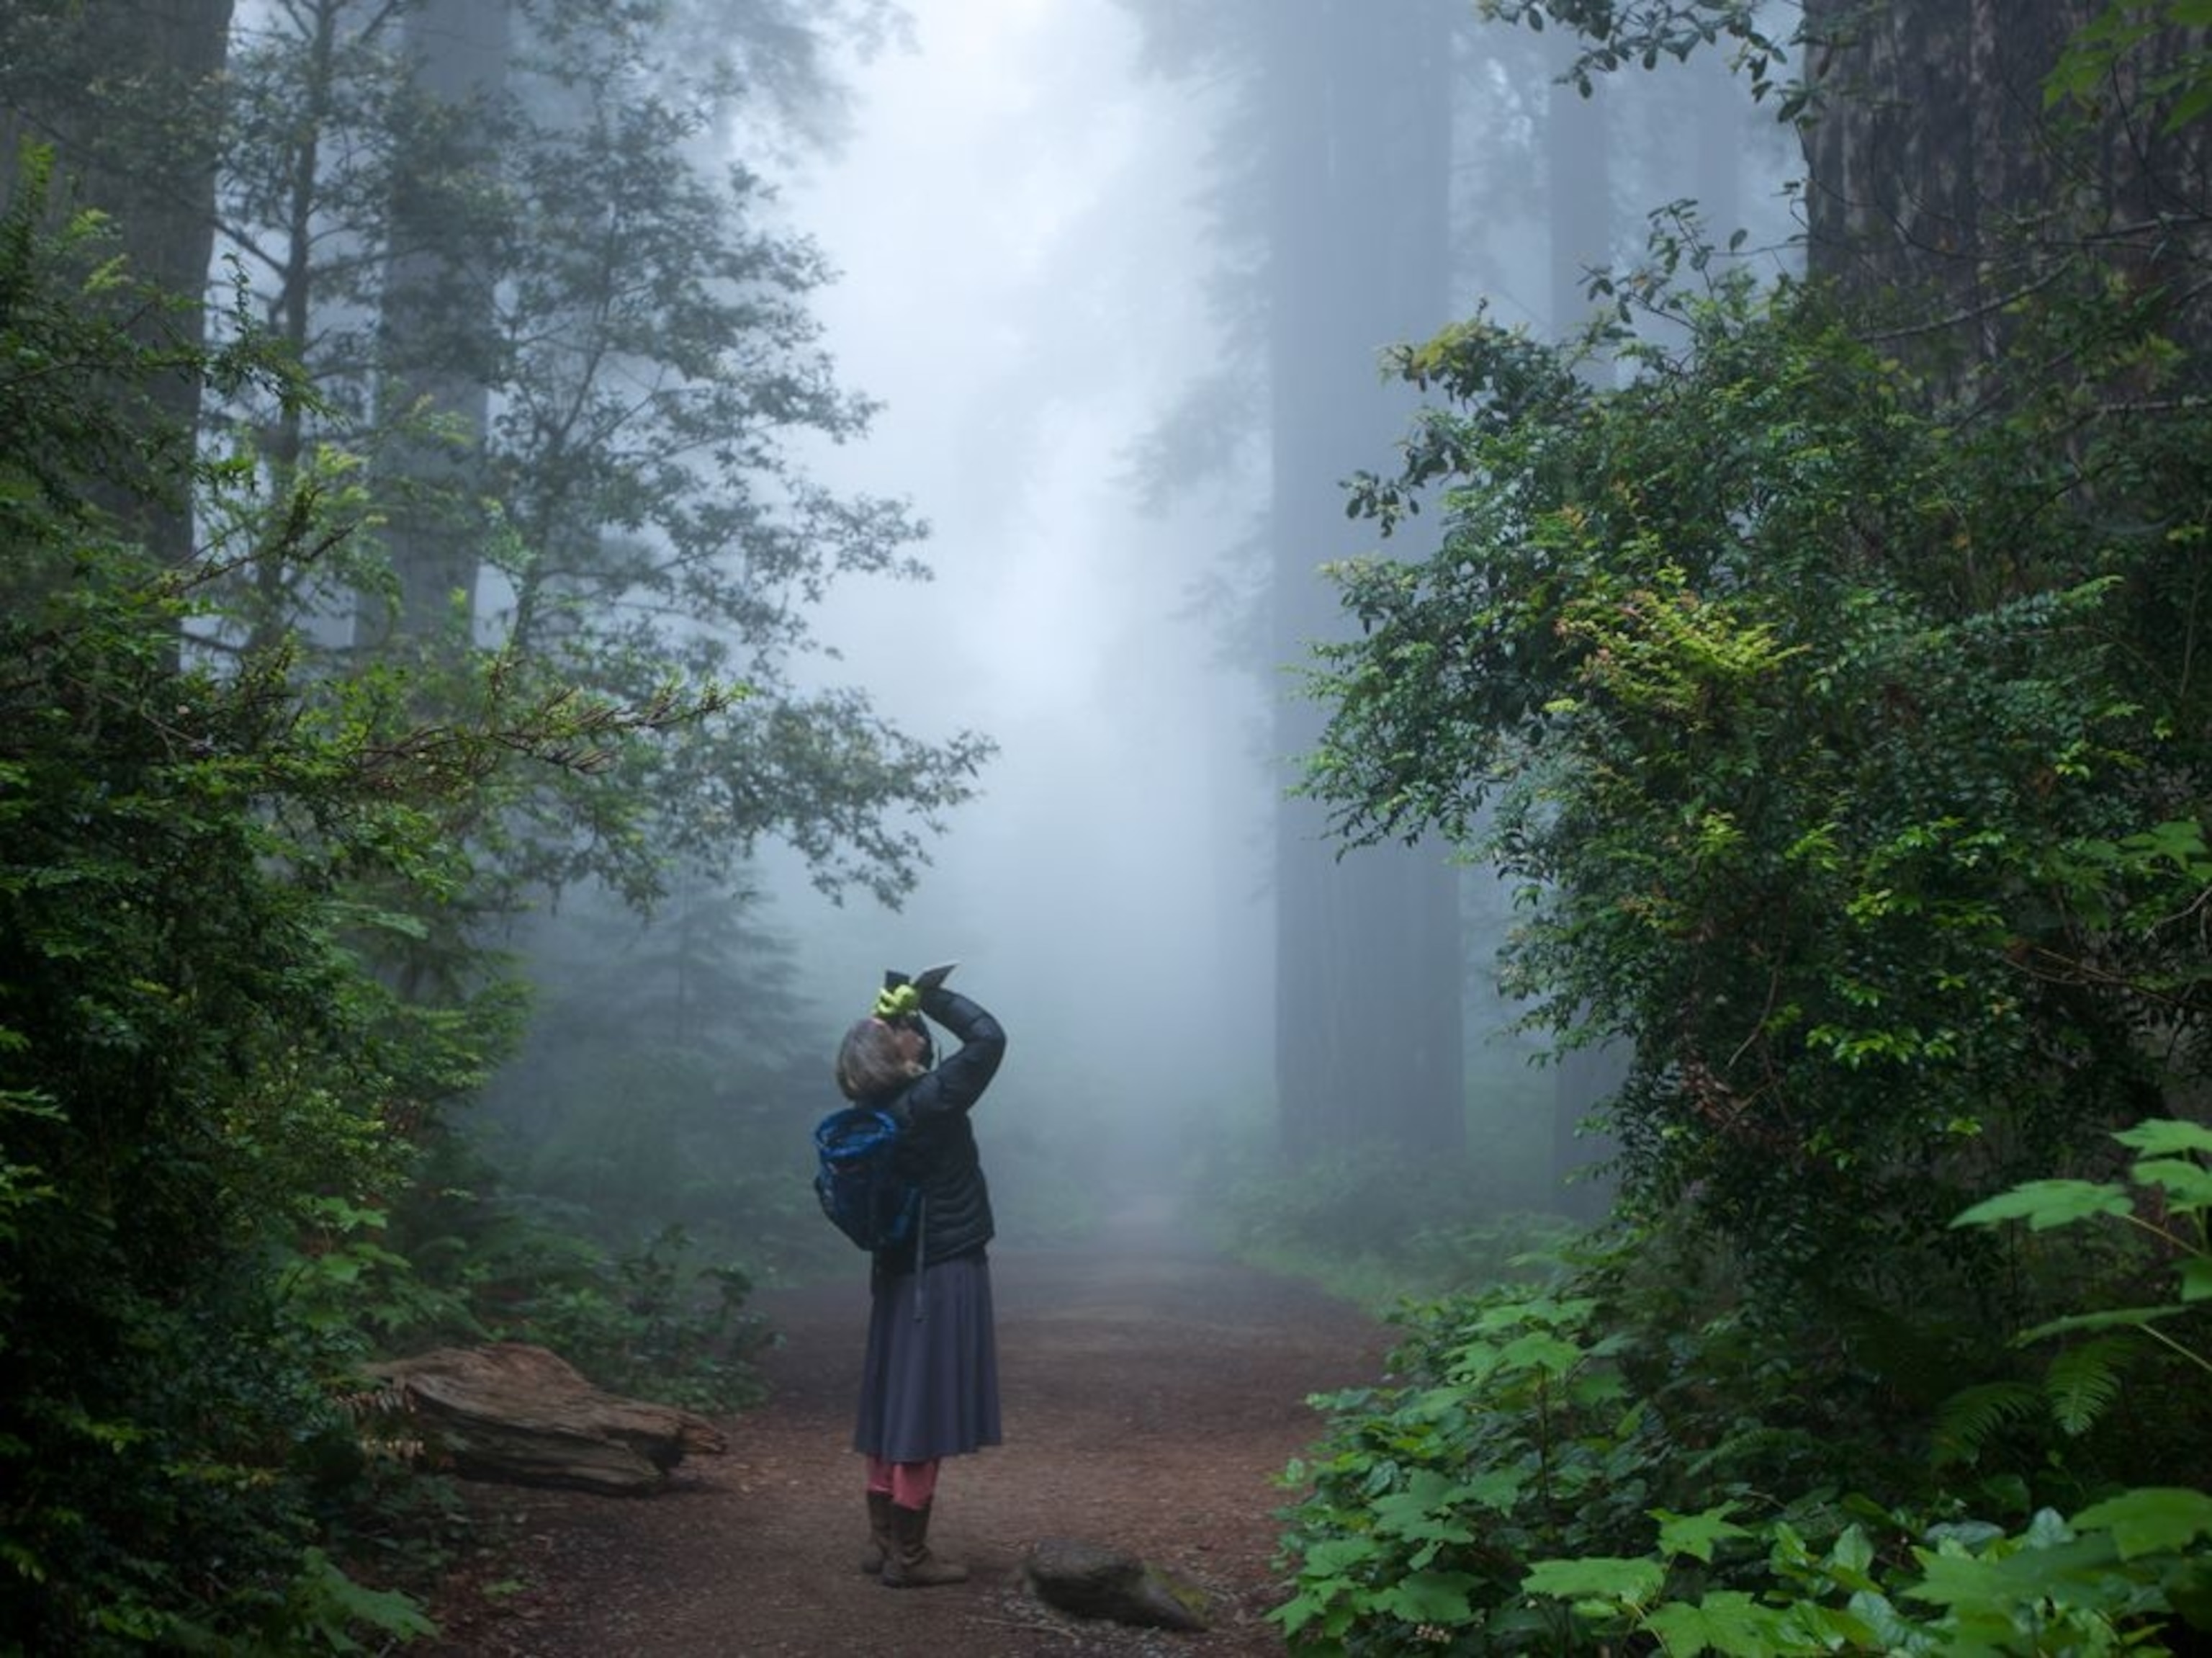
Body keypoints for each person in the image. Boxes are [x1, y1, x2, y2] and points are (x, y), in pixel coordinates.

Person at [832, 967, 1007, 1589]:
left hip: (899, 1271)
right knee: (923, 1408)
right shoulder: (929, 1101)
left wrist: (905, 1016)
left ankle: (883, 1542)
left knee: (892, 1404)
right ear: (891, 1054)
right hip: (944, 1268)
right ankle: (910, 1556)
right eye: (900, 1030)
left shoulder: (871, 1110)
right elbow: (989, 1040)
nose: (912, 1031)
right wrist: (932, 996)